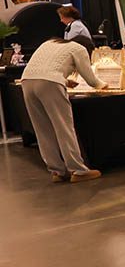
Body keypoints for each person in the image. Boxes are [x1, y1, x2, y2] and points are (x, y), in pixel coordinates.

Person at [20, 37, 106, 183]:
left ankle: (57, 171)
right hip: (50, 83)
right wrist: (105, 85)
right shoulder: (79, 49)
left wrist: (65, 81)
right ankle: (78, 170)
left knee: (42, 129)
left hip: (27, 81)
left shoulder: (50, 42)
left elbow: (44, 70)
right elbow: (92, 80)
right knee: (64, 127)